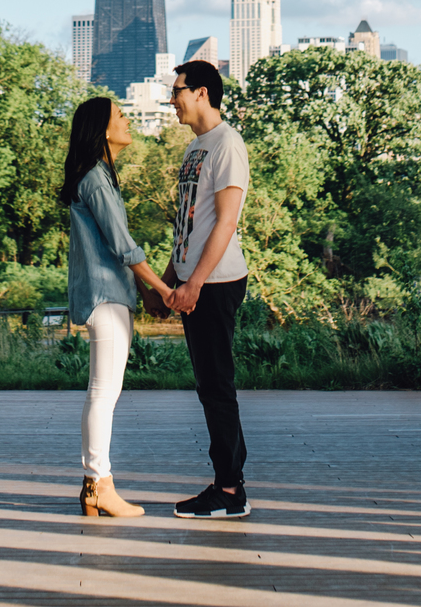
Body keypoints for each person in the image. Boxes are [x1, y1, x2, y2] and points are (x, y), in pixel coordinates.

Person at [60, 94, 172, 517]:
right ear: (103, 129)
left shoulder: (98, 177)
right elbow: (123, 246)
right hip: (105, 298)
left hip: (111, 294)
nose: (128, 122)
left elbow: (116, 249)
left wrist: (144, 293)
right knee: (103, 392)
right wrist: (162, 289)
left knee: (106, 391)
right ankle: (98, 484)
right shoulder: (94, 178)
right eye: (121, 116)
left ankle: (96, 485)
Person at [162, 59, 250, 518]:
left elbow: (228, 221)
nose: (172, 100)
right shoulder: (195, 148)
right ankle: (227, 483)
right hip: (195, 281)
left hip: (216, 283)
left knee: (217, 386)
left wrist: (194, 282)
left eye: (177, 91)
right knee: (207, 385)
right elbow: (190, 225)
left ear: (201, 93)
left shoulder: (227, 144)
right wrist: (169, 277)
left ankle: (231, 490)